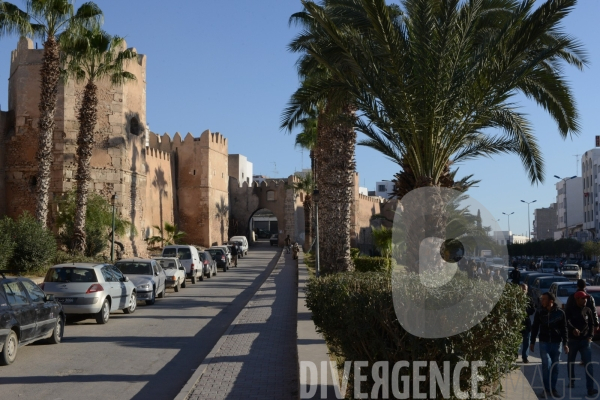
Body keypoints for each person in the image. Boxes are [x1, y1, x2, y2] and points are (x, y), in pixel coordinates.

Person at [530, 292, 569, 399]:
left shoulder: (560, 313)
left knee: (555, 367)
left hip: (557, 343)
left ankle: (553, 388)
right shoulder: (540, 313)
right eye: (541, 299)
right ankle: (546, 389)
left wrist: (565, 343)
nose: (542, 301)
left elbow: (564, 329)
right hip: (544, 342)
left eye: (544, 299)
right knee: (546, 365)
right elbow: (535, 327)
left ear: (551, 301)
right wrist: (532, 342)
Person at [565, 291, 598, 396]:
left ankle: (590, 388)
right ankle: (572, 380)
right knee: (571, 362)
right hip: (573, 341)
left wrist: (590, 336)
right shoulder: (570, 310)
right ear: (577, 299)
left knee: (589, 365)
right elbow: (566, 322)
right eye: (583, 298)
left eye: (586, 298)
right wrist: (573, 329)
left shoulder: (588, 310)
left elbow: (592, 324)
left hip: (585, 341)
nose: (585, 300)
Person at [520, 284, 535, 363]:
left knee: (526, 341)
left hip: (526, 323)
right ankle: (514, 355)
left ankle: (525, 357)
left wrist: (525, 312)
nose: (523, 290)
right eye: (522, 289)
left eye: (525, 289)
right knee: (517, 341)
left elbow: (533, 310)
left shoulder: (529, 299)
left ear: (527, 290)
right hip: (517, 323)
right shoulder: (515, 298)